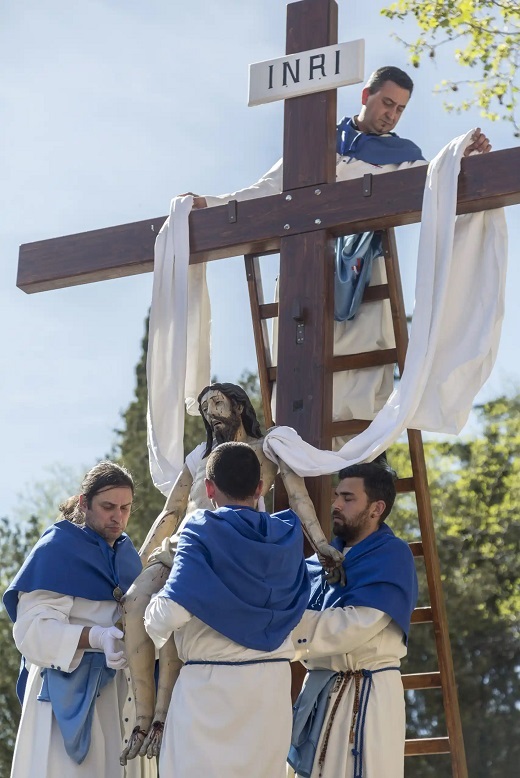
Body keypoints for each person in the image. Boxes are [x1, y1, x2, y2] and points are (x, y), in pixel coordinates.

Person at [182, 66, 491, 440]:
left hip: (363, 281)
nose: (391, 114)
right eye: (387, 103)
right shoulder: (318, 146)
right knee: (297, 378)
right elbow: (266, 190)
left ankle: (353, 464)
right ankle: (296, 452)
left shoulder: (401, 157)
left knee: (358, 384)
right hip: (304, 272)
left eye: (400, 109)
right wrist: (210, 205)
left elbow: (436, 181)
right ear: (366, 96)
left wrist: (464, 161)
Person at [121, 381, 344, 763]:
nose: (211, 413)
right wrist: (135, 564)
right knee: (134, 599)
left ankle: (163, 715)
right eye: (205, 407)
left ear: (239, 406)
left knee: (175, 613)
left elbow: (299, 495)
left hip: (227, 548)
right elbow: (171, 512)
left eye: (217, 403)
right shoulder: (199, 456)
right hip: (188, 547)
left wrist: (322, 542)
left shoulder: (268, 448)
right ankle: (148, 717)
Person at [144, 441, 310, 778]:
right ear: (260, 487)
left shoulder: (201, 527)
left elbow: (172, 612)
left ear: (209, 488)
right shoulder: (288, 532)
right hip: (271, 692)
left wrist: (151, 612)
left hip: (212, 693)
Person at [3, 462, 156, 778]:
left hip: (119, 698)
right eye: (108, 507)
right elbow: (31, 632)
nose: (118, 517)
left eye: (125, 508)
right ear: (85, 503)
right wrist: (96, 637)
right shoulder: (57, 549)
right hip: (65, 696)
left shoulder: (127, 555)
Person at [286, 458, 418, 778]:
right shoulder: (317, 563)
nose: (336, 504)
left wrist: (278, 629)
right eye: (336, 496)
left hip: (365, 696)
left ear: (376, 509)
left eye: (348, 498)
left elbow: (353, 626)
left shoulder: (392, 556)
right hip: (319, 694)